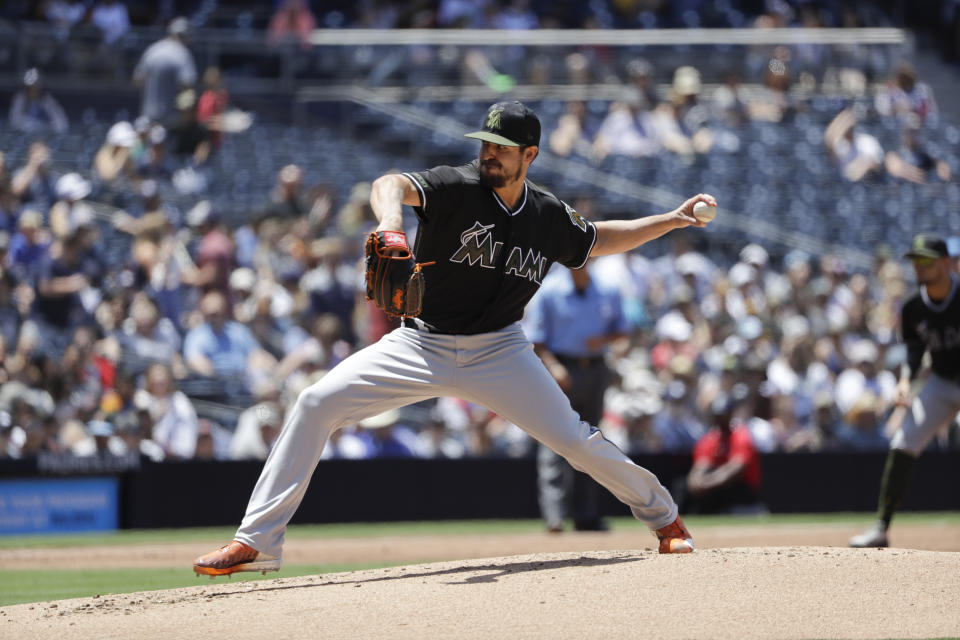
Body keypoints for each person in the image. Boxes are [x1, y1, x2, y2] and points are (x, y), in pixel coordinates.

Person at [193, 100, 712, 576]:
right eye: (485, 144)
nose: (488, 154)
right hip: (420, 343)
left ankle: (665, 519)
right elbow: (389, 182)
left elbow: (598, 239)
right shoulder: (455, 186)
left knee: (575, 440)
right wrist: (392, 221)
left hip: (501, 350)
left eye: (502, 149)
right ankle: (257, 542)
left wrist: (669, 220)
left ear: (529, 155)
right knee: (314, 402)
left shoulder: (547, 215)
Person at [849, 234, 960, 548]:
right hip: (940, 381)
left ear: (946, 263)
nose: (919, 266)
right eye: (915, 260)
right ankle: (881, 527)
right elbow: (914, 352)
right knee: (903, 441)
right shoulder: (913, 305)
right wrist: (904, 381)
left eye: (927, 260)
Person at [523, 261, 629, 532]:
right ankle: (555, 516)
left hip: (595, 369)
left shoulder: (607, 289)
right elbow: (536, 339)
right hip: (560, 368)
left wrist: (604, 341)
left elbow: (622, 331)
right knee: (553, 439)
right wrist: (554, 366)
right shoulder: (549, 290)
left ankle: (586, 515)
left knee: (591, 440)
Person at [685, 391, 765, 514]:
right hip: (718, 501)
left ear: (730, 415)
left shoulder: (741, 435)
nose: (721, 418)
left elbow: (735, 469)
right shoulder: (710, 439)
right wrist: (696, 482)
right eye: (718, 415)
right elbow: (700, 468)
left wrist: (706, 483)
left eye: (724, 415)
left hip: (744, 500)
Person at [132, 17, 197, 126]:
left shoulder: (153, 50)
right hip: (171, 119)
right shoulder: (182, 53)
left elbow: (137, 80)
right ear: (185, 36)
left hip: (147, 116)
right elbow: (188, 87)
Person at [8, 68, 68, 134]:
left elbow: (61, 125)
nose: (33, 89)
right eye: (30, 87)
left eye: (35, 86)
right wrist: (35, 125)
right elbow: (14, 122)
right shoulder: (20, 98)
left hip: (45, 137)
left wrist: (46, 127)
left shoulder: (47, 100)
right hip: (24, 136)